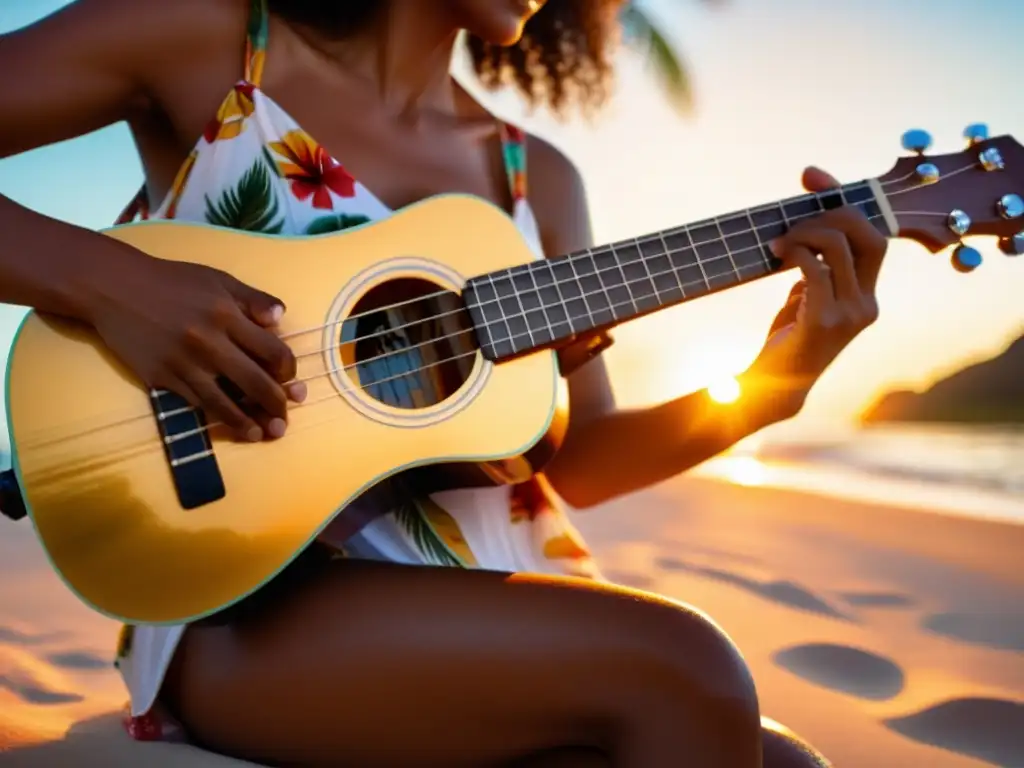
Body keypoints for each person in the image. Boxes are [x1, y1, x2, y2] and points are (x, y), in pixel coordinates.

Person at [0, 0, 886, 765]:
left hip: (497, 600)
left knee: (782, 761)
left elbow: (578, 463)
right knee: (690, 667)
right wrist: (111, 284)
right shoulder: (204, 39)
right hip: (248, 606)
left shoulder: (535, 177)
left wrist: (773, 387)